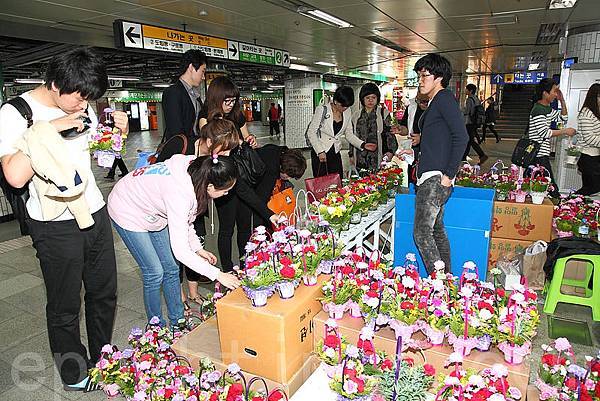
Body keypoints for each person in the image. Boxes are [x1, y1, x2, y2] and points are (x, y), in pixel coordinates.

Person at [0, 48, 129, 392]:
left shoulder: (81, 103)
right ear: (55, 84)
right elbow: (14, 176)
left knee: (104, 291)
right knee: (65, 303)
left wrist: (115, 136)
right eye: (78, 97)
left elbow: (99, 162)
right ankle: (73, 372)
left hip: (93, 210)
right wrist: (47, 130)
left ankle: (104, 356)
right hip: (53, 220)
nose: (82, 105)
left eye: (89, 98)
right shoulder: (17, 113)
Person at [107, 155, 241, 327]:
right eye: (224, 190)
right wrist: (218, 275)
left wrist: (197, 248)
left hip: (153, 210)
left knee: (171, 267)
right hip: (127, 208)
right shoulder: (179, 194)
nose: (226, 194)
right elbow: (180, 250)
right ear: (209, 186)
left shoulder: (200, 171)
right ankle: (156, 328)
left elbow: (186, 218)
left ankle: (177, 321)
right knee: (154, 272)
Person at [156, 116, 240, 312]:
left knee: (197, 243)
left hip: (193, 205)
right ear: (210, 142)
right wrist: (218, 275)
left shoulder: (214, 160)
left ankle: (193, 292)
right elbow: (159, 172)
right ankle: (180, 296)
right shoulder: (181, 145)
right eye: (225, 149)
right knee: (174, 255)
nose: (227, 155)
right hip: (170, 205)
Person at [397, 53, 469, 274]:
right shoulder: (437, 101)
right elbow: (441, 137)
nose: (420, 80)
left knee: (421, 232)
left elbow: (461, 137)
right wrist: (415, 149)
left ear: (439, 77)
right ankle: (445, 278)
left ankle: (439, 283)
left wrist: (448, 175)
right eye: (419, 75)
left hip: (435, 178)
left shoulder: (444, 99)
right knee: (436, 230)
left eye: (424, 75)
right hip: (431, 174)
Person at [199, 76, 275, 272]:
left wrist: (249, 140)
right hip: (223, 177)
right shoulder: (206, 118)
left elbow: (245, 136)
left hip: (241, 173)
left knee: (244, 225)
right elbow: (209, 149)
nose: (231, 105)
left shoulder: (237, 115)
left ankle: (244, 265)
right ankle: (227, 270)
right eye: (227, 101)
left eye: (234, 101)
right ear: (217, 97)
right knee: (226, 228)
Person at [528, 78, 576, 197]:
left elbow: (563, 118)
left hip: (540, 154)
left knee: (536, 183)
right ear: (545, 93)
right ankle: (557, 206)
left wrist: (562, 101)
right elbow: (544, 132)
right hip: (538, 154)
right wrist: (565, 131)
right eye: (554, 91)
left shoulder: (547, 109)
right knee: (550, 184)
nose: (556, 94)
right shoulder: (538, 109)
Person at [307, 86, 365, 178]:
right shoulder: (322, 110)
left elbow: (349, 134)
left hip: (335, 152)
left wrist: (362, 144)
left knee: (337, 181)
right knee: (322, 185)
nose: (345, 108)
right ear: (335, 101)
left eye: (348, 106)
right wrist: (320, 151)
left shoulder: (347, 111)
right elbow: (311, 132)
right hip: (320, 152)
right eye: (343, 105)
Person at [253, 145, 307, 227]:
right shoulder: (270, 172)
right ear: (284, 169)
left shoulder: (279, 152)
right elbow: (261, 199)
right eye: (289, 175)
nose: (288, 178)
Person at [349, 82, 398, 172]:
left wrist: (391, 151)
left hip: (378, 158)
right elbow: (352, 136)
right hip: (360, 158)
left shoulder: (383, 113)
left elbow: (389, 134)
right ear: (362, 99)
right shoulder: (356, 116)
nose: (370, 100)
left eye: (373, 98)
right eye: (367, 98)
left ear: (377, 99)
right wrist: (351, 155)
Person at [162, 49, 206, 141]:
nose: (203, 77)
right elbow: (176, 131)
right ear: (191, 67)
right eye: (202, 71)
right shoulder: (173, 93)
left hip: (194, 149)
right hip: (181, 151)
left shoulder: (195, 95)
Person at [575, 83, 600, 195]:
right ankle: (571, 201)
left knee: (589, 188)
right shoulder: (586, 113)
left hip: (594, 157)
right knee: (592, 187)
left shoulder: (595, 113)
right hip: (588, 158)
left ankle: (575, 205)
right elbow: (589, 138)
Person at [399, 92, 428, 183]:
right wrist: (401, 130)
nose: (422, 104)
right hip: (413, 151)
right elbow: (406, 129)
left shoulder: (437, 110)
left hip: (430, 153)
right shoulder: (411, 107)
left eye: (425, 101)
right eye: (419, 101)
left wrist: (422, 138)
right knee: (413, 179)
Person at [462, 84, 488, 165]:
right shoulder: (476, 99)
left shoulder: (469, 99)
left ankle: (482, 155)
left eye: (466, 89)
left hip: (470, 122)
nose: (465, 91)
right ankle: (463, 157)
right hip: (475, 122)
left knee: (470, 140)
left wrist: (461, 110)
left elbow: (467, 111)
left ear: (471, 91)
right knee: (469, 140)